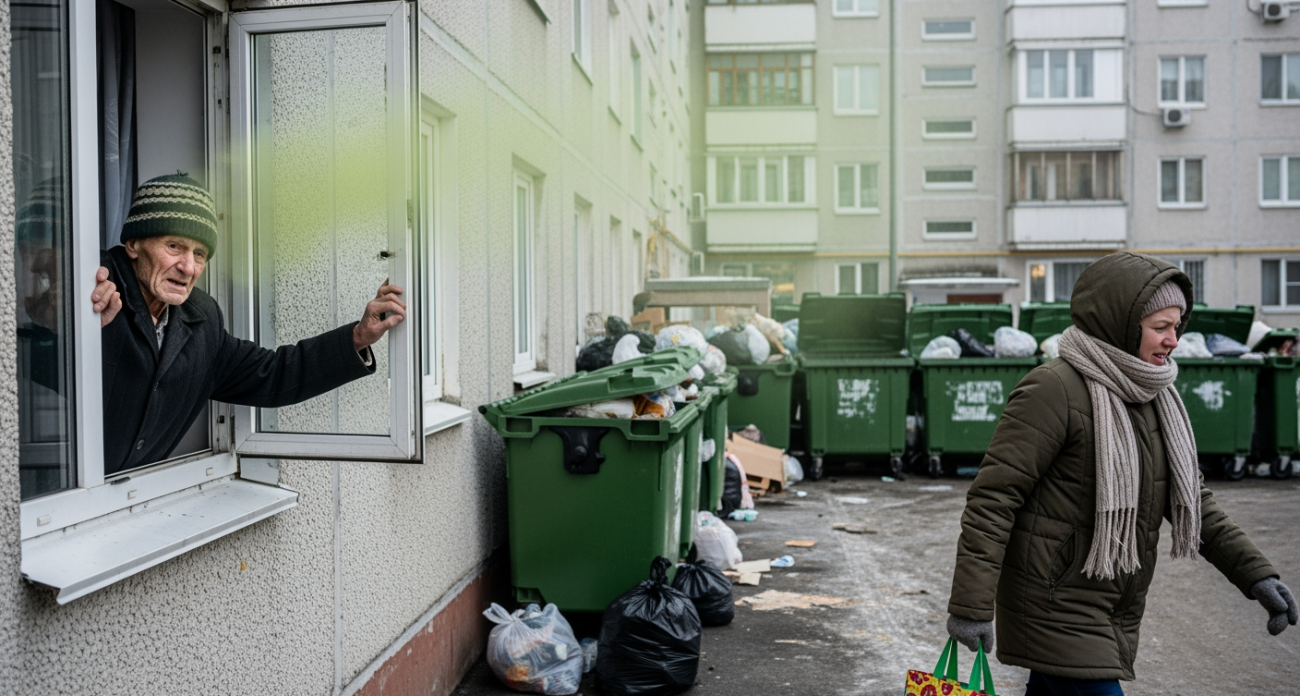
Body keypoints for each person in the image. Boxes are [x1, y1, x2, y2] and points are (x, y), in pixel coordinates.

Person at [945, 252, 1297, 695]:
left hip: (1109, 605)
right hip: (1057, 603)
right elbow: (993, 499)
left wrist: (1256, 575)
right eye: (1161, 328)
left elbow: (1193, 501)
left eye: (1177, 326)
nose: (1174, 340)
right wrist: (971, 605)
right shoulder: (1053, 389)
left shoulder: (1153, 396)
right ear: (1121, 324)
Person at [89, 173, 406, 475]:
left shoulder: (201, 321)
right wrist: (64, 321)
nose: (187, 267)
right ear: (133, 244)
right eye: (174, 246)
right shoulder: (94, 287)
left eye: (199, 253)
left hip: (130, 508)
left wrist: (357, 338)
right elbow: (44, 344)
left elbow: (274, 376)